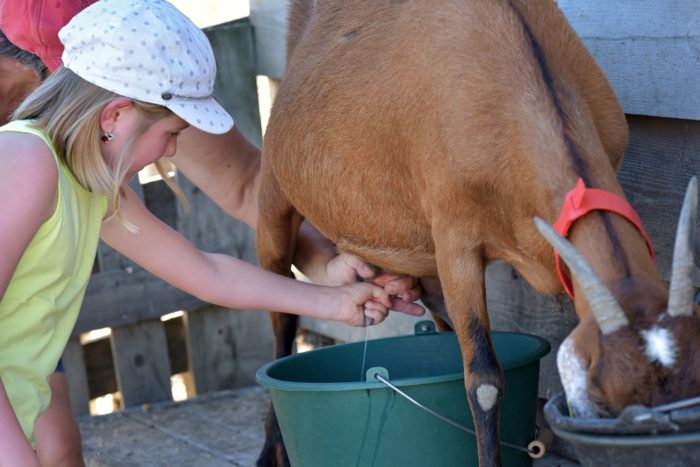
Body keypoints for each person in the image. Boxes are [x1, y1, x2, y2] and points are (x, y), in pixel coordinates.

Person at [0, 1, 424, 465]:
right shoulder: (28, 164)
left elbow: (208, 274)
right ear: (114, 116)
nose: (173, 149)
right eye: (172, 132)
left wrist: (337, 302)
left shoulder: (89, 184)